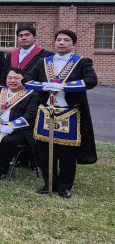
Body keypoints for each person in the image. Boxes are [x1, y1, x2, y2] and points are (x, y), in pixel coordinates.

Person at [26, 30, 98, 198]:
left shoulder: (82, 62)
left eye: (66, 40)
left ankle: (65, 186)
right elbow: (27, 80)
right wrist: (43, 86)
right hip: (46, 111)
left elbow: (91, 81)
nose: (62, 43)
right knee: (44, 151)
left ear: (73, 44)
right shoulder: (43, 61)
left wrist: (64, 86)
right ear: (55, 43)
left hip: (69, 113)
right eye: (58, 39)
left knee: (67, 153)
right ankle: (49, 182)